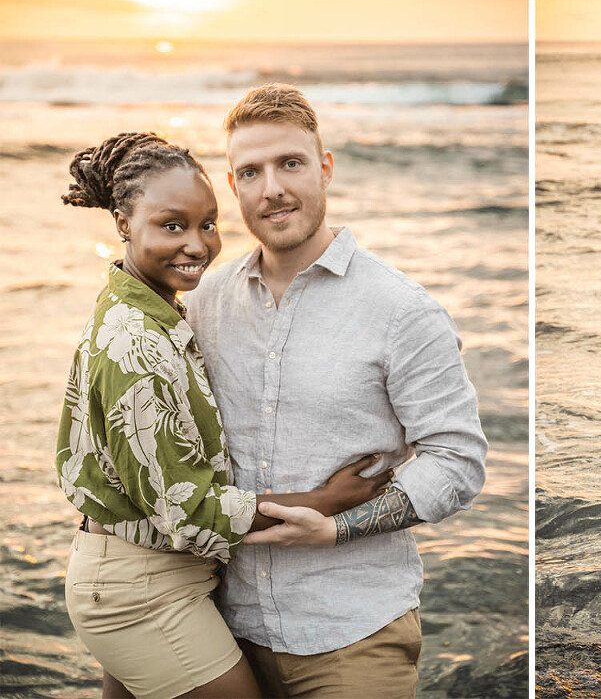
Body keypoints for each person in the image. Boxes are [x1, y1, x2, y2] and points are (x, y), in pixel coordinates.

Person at [55, 132, 391, 699]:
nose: (197, 245)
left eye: (207, 224)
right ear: (122, 222)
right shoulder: (136, 345)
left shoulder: (153, 310)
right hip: (141, 590)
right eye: (172, 226)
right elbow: (186, 511)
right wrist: (326, 502)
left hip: (145, 576)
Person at [181, 84, 489, 697]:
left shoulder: (402, 311)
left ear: (324, 168)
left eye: (290, 163)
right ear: (233, 185)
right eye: (251, 171)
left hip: (352, 634)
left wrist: (337, 528)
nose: (272, 187)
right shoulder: (204, 304)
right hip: (220, 630)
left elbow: (458, 461)